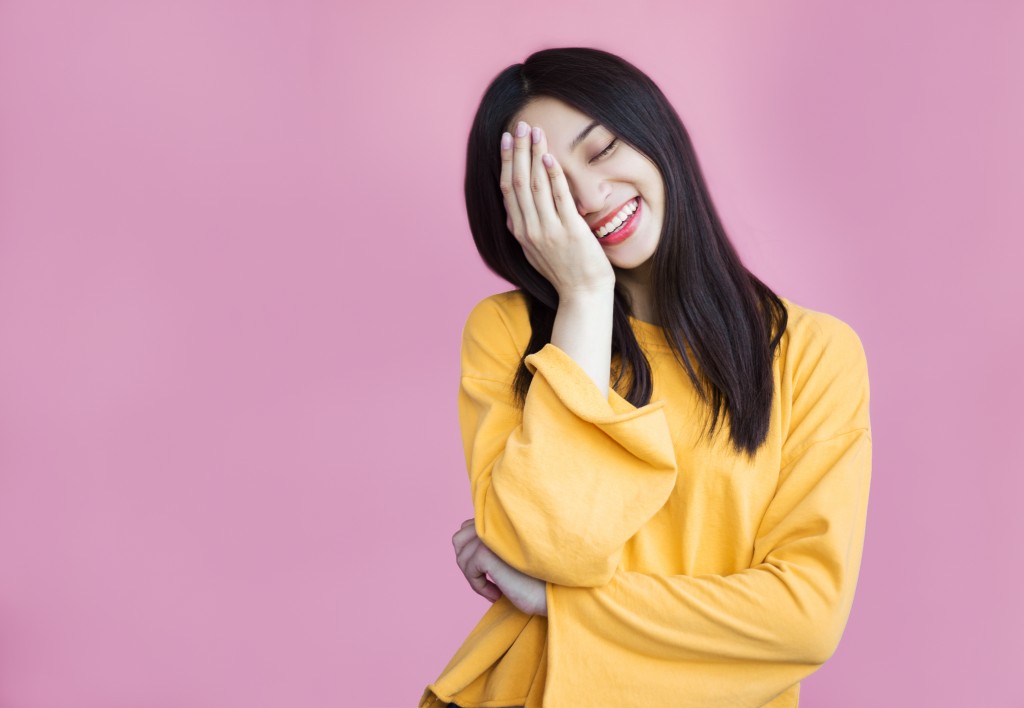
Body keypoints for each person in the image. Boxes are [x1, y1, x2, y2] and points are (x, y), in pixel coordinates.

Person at [419, 47, 871, 708]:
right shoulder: (507, 333)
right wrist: (585, 298)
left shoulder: (812, 354)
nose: (591, 198)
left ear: (657, 134)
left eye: (601, 152)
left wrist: (557, 605)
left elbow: (805, 619)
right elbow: (549, 542)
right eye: (549, 189)